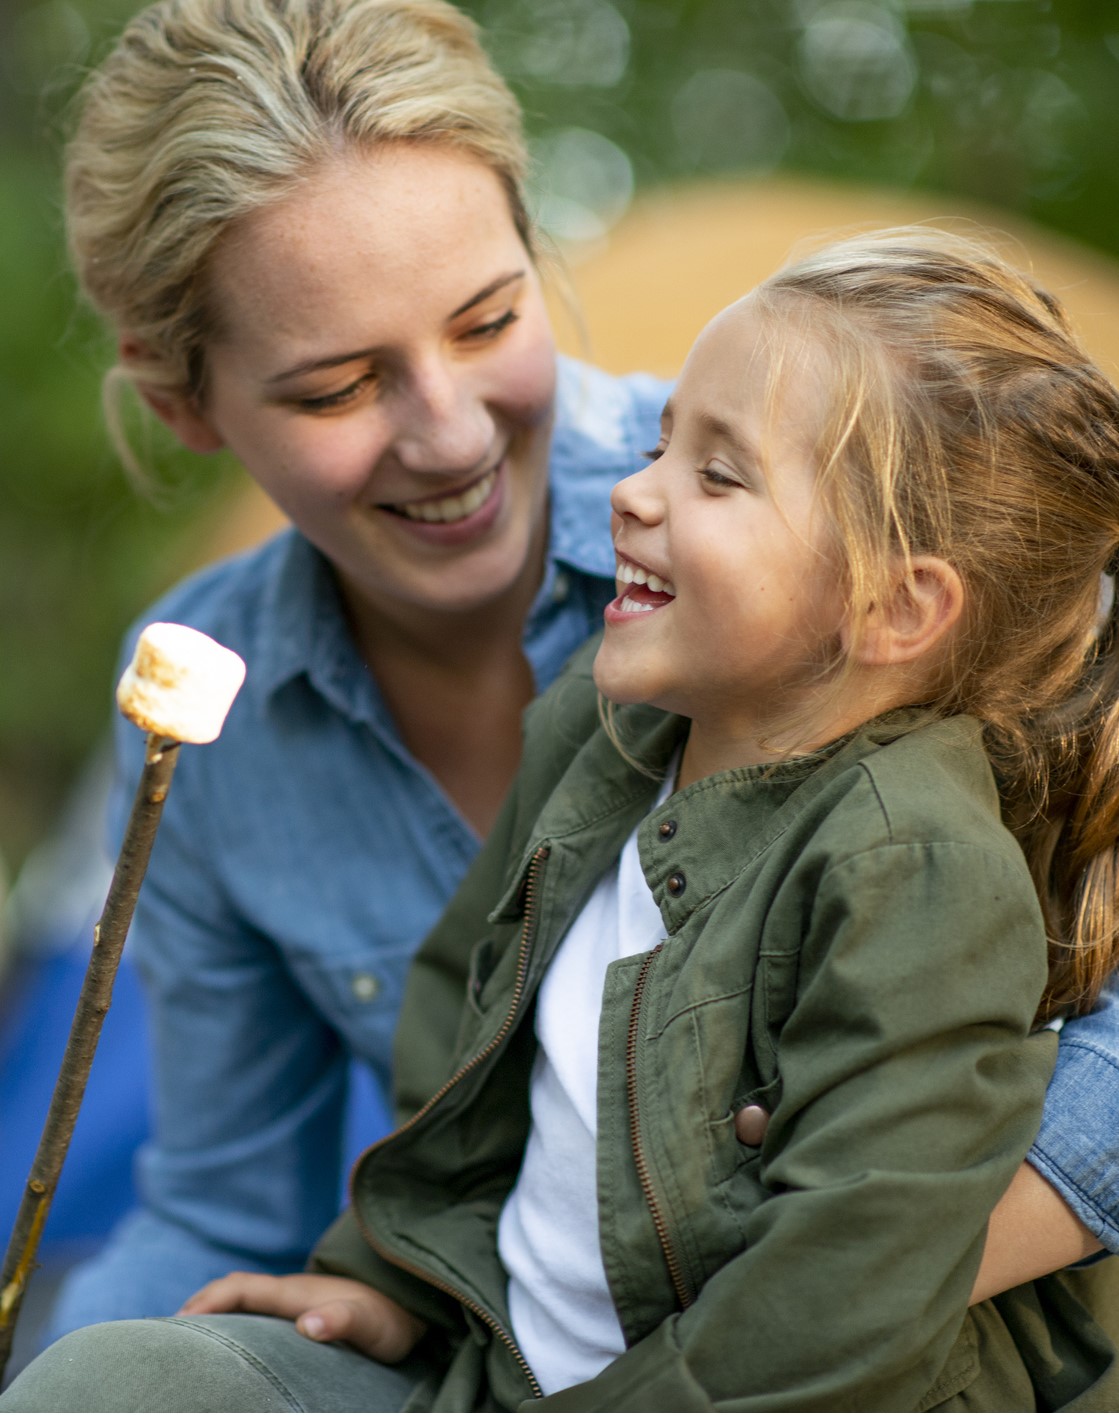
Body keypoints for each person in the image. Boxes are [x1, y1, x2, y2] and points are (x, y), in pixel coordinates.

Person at [30, 0, 1118, 1349]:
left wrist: (834, 1268)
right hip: (493, 1339)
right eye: (335, 389)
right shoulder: (214, 711)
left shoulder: (818, 546)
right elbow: (221, 1202)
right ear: (183, 399)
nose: (447, 435)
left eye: (486, 322)